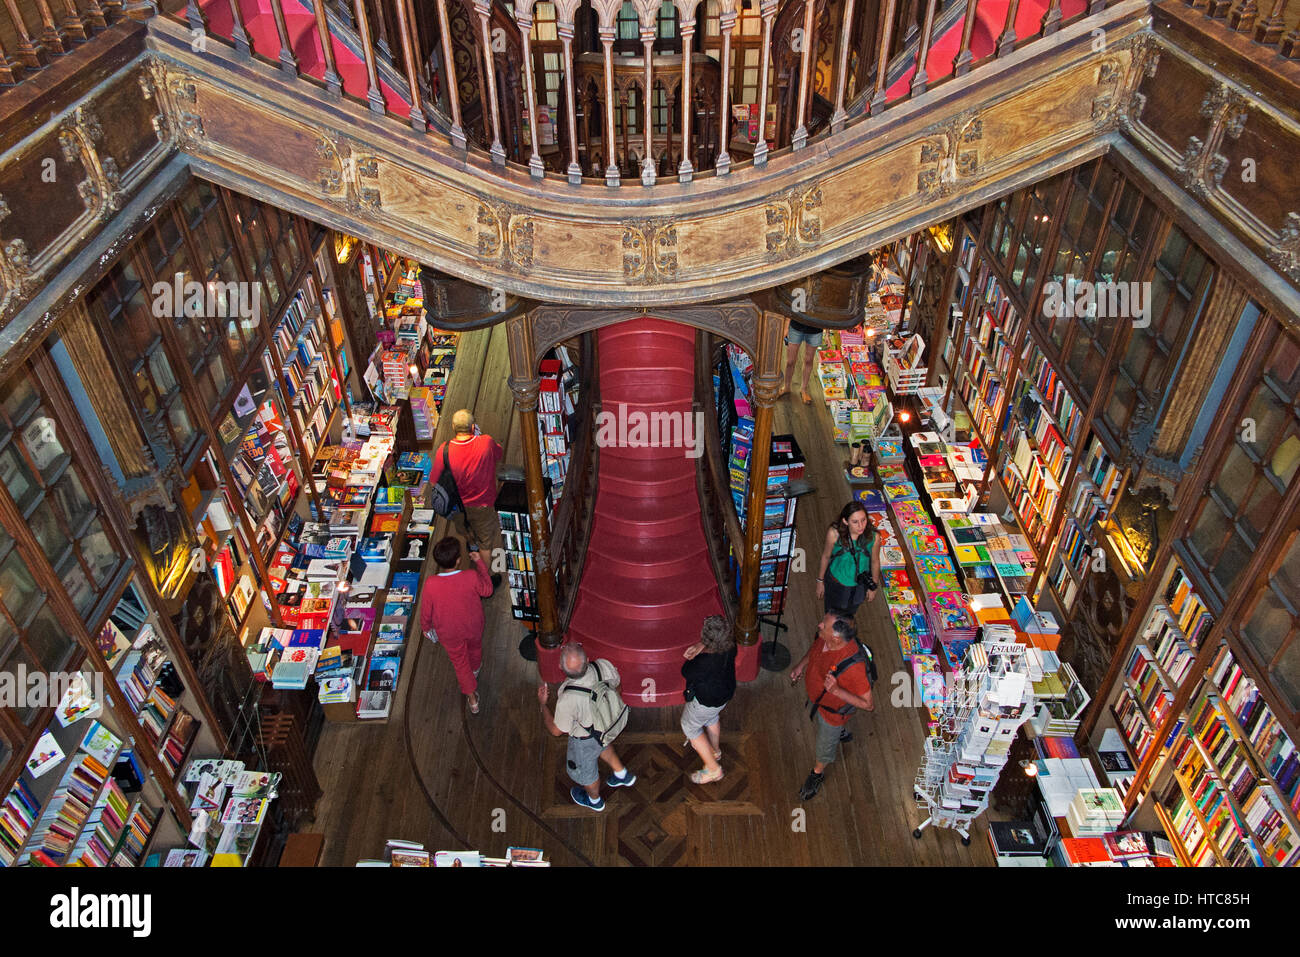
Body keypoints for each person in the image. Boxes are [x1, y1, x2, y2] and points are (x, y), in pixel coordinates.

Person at [538, 643, 635, 812]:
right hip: (607, 726)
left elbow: (556, 730)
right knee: (604, 746)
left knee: (587, 774)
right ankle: (622, 775)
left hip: (585, 740)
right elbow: (618, 688)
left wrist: (543, 706)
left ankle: (594, 800)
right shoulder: (602, 665)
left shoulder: (568, 697)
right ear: (588, 660)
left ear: (561, 667)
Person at [789, 613, 875, 800]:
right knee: (822, 728)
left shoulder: (854, 668)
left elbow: (868, 705)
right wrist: (801, 665)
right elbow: (814, 651)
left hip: (832, 715)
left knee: (824, 747)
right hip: (818, 700)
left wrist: (836, 691)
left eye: (824, 625)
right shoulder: (824, 639)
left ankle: (817, 774)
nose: (819, 624)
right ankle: (841, 733)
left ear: (836, 638)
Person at [429, 409, 504, 588]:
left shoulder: (444, 450)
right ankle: (486, 580)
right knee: (486, 542)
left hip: (458, 507)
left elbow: (433, 482)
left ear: (453, 427)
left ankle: (471, 545)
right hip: (483, 505)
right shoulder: (485, 443)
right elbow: (498, 454)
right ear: (473, 426)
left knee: (466, 532)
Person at [419, 536, 493, 714]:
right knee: (475, 648)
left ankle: (472, 699)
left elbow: (426, 612)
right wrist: (480, 565)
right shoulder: (470, 576)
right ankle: (475, 670)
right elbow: (487, 590)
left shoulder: (431, 584)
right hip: (473, 624)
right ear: (459, 560)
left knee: (460, 663)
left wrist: (426, 628)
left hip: (449, 632)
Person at [680, 615, 737, 784]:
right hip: (724, 695)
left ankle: (713, 769)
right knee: (712, 718)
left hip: (706, 700)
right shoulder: (731, 647)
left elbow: (686, 671)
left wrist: (696, 653)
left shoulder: (704, 663)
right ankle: (715, 751)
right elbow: (716, 646)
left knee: (690, 728)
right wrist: (701, 646)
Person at [816, 500, 883, 618]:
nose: (861, 526)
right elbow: (826, 556)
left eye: (863, 520)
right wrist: (820, 581)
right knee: (831, 615)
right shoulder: (834, 533)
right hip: (836, 583)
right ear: (845, 521)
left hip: (859, 586)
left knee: (849, 616)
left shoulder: (874, 537)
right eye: (855, 522)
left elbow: (875, 561)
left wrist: (874, 586)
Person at [782, 317, 823, 405]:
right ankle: (786, 387)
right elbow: (793, 306)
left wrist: (827, 332)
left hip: (815, 329)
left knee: (808, 360)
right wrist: (786, 326)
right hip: (796, 327)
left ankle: (803, 389)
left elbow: (826, 310)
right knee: (790, 361)